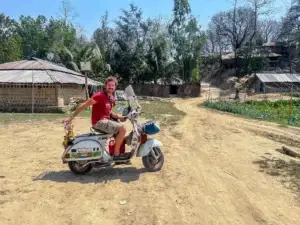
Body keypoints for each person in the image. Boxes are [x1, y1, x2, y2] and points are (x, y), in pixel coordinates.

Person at [63, 76, 128, 160]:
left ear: (115, 87)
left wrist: (119, 117)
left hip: (105, 120)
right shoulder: (99, 96)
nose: (111, 87)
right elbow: (84, 105)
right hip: (99, 122)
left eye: (113, 85)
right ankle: (116, 154)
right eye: (109, 85)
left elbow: (109, 112)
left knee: (120, 129)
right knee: (123, 129)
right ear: (106, 86)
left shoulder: (111, 98)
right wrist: (71, 118)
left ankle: (115, 152)